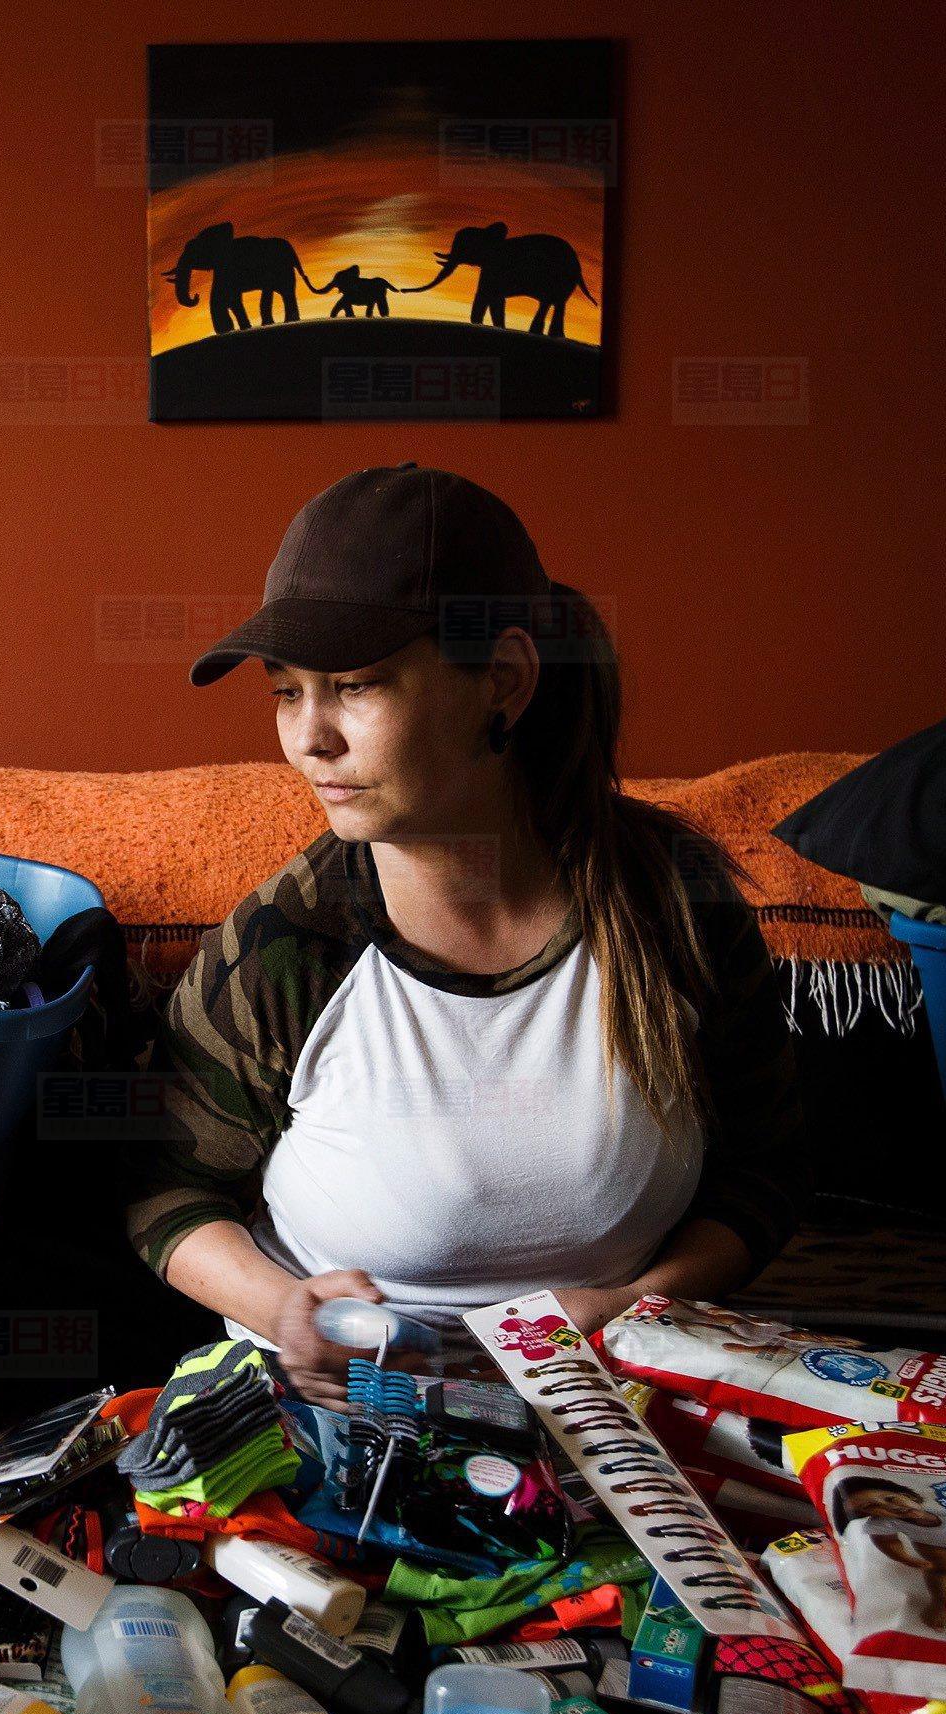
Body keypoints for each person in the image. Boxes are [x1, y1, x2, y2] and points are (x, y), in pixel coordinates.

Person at [124, 465, 810, 1408]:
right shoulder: (285, 946)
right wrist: (287, 1311)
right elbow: (163, 1192)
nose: (310, 739)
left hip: (624, 1392)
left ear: (504, 679)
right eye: (286, 693)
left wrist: (632, 1305)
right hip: (338, 1406)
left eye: (355, 686)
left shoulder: (672, 906)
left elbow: (767, 1170)